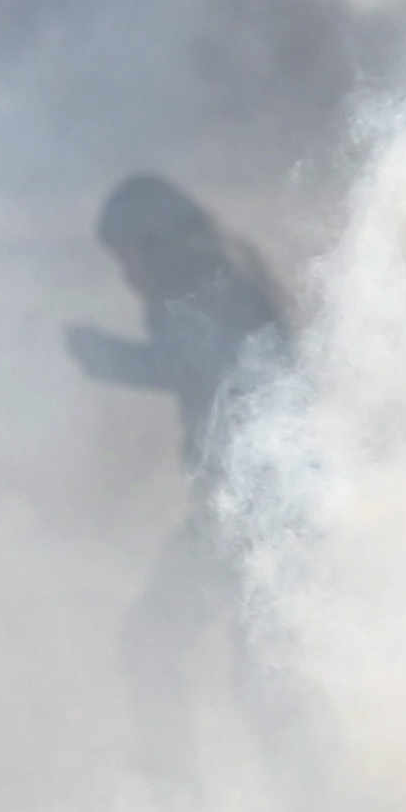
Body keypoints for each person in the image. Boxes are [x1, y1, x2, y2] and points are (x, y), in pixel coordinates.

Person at [65, 172, 292, 777]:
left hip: (256, 503)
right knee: (261, 670)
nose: (126, 276)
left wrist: (104, 357)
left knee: (162, 647)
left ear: (149, 241)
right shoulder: (220, 267)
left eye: (125, 256)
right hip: (262, 497)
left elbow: (203, 371)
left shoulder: (196, 276)